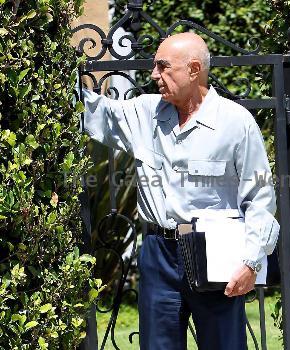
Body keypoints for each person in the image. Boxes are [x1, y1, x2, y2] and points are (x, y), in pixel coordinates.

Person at [83, 32, 279, 350]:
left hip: (216, 254)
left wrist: (251, 262)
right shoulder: (145, 112)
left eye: (163, 67)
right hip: (158, 253)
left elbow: (259, 197)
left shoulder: (236, 123)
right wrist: (49, 65)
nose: (154, 75)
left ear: (192, 69)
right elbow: (92, 112)